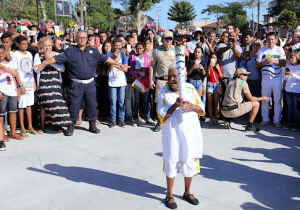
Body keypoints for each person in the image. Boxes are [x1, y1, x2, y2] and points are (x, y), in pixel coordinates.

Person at [33, 31, 123, 136]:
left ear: (87, 39)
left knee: (92, 104)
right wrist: (43, 63)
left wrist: (118, 63)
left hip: (90, 83)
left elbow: (105, 58)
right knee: (74, 105)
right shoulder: (70, 51)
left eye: (84, 38)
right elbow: (55, 59)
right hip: (76, 84)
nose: (82, 39)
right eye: (80, 37)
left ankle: (92, 124)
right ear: (76, 38)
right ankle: (71, 126)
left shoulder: (93, 51)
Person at [157, 64, 204, 209]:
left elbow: (202, 109)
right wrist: (175, 106)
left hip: (190, 134)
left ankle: (187, 192)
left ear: (182, 77)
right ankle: (169, 195)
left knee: (189, 162)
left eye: (175, 76)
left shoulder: (189, 88)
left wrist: (192, 106)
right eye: (169, 76)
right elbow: (161, 117)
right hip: (172, 136)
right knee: (171, 162)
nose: (171, 79)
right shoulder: (164, 92)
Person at [33, 37, 72, 134]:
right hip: (43, 83)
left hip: (55, 82)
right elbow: (36, 69)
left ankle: (59, 124)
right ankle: (42, 126)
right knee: (44, 104)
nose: (47, 48)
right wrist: (45, 62)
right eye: (45, 46)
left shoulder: (57, 55)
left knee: (57, 103)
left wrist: (51, 61)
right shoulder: (38, 55)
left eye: (49, 45)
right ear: (41, 46)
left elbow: (62, 69)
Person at [257, 32, 286, 127]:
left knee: (277, 100)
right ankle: (265, 119)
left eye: (272, 39)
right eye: (269, 39)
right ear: (266, 40)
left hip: (277, 78)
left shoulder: (279, 49)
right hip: (265, 78)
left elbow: (283, 63)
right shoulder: (262, 50)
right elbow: (257, 64)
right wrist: (263, 63)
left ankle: (277, 120)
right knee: (265, 99)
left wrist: (274, 61)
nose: (270, 41)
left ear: (276, 40)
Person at [149, 30, 176, 132]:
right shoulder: (157, 51)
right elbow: (152, 66)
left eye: (170, 39)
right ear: (163, 39)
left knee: (173, 101)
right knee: (158, 101)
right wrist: (151, 79)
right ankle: (159, 122)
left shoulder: (176, 50)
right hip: (160, 80)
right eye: (166, 39)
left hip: (173, 81)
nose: (168, 41)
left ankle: (172, 121)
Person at [11, 35, 37, 137]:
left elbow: (31, 69)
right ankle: (22, 128)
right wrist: (20, 84)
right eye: (23, 44)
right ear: (18, 44)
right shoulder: (15, 55)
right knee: (21, 106)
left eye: (26, 44)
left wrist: (34, 80)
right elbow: (15, 71)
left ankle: (30, 126)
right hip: (21, 83)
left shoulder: (30, 54)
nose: (25, 46)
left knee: (29, 105)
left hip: (30, 82)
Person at [0, 45, 23, 150]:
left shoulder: (10, 63)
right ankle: (1, 135)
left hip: (12, 90)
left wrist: (18, 88)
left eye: (2, 53)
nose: (1, 56)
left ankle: (12, 132)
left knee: (13, 112)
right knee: (1, 114)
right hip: (2, 91)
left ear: (5, 52)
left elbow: (14, 75)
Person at [129, 42, 153, 126]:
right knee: (137, 100)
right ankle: (135, 117)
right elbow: (132, 70)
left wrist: (143, 71)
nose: (139, 50)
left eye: (140, 48)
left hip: (146, 80)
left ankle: (147, 117)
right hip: (137, 80)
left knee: (146, 100)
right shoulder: (133, 57)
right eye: (137, 48)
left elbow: (150, 68)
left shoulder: (147, 57)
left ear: (143, 49)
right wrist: (137, 74)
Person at [283, 52, 300, 130]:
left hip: (296, 91)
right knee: (289, 108)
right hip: (288, 90)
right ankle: (289, 123)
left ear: (297, 58)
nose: (290, 59)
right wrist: (286, 75)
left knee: (295, 108)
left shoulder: (299, 67)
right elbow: (285, 79)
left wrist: (293, 74)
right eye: (290, 58)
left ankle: (296, 124)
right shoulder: (288, 66)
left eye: (292, 58)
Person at [206, 53, 223, 125]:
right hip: (210, 84)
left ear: (217, 59)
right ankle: (210, 118)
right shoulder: (209, 66)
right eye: (212, 58)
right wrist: (209, 67)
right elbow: (208, 76)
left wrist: (218, 69)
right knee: (210, 102)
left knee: (216, 102)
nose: (213, 59)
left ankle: (216, 117)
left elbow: (221, 77)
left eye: (214, 58)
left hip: (217, 84)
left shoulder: (219, 66)